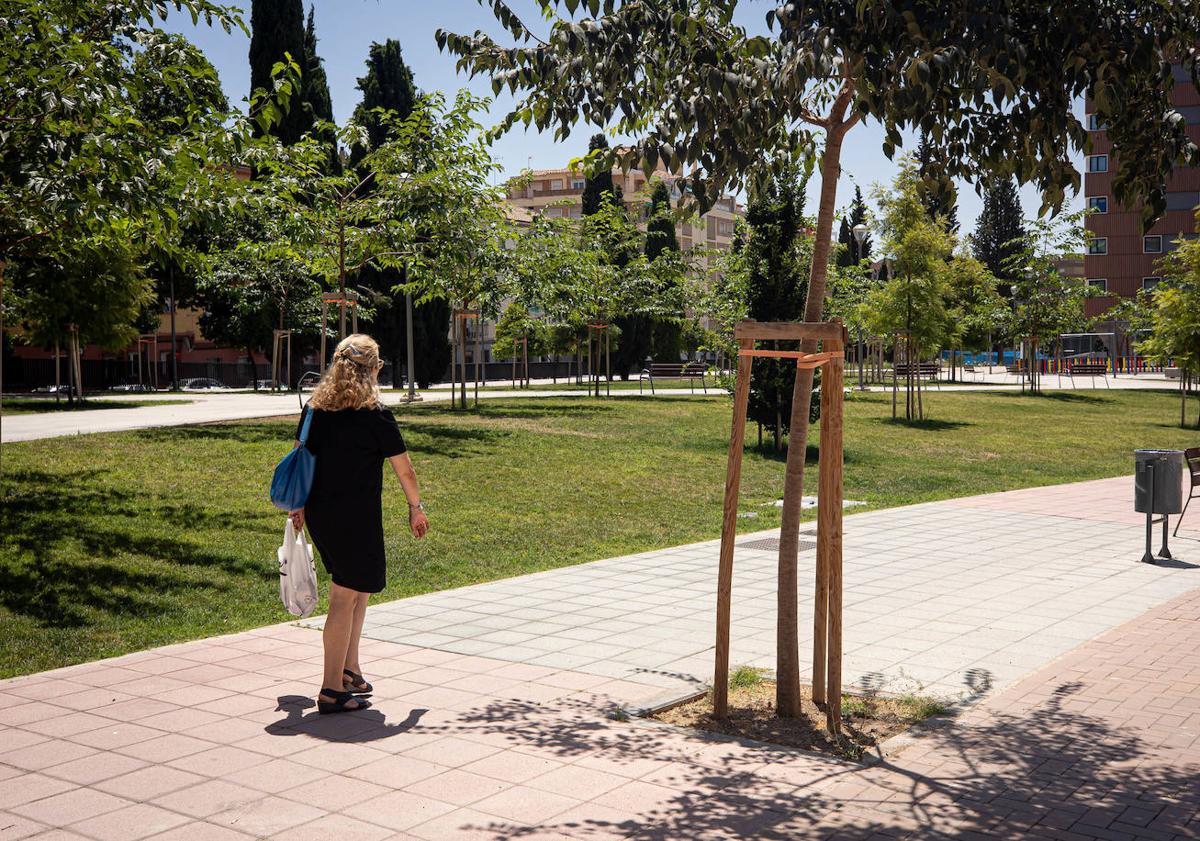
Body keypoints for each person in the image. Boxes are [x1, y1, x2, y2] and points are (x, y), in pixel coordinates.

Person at [288, 334, 429, 715]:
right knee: (344, 596)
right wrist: (416, 508)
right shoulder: (375, 416)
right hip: (355, 518)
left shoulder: (315, 410)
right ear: (373, 369)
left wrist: (297, 505)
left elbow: (304, 461)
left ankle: (349, 670)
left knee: (358, 590)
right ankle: (331, 689)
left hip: (323, 514)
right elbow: (406, 471)